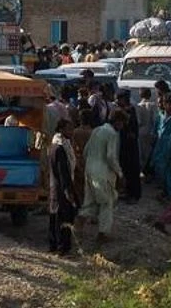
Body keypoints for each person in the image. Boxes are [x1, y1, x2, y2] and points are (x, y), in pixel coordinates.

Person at [76, 109, 126, 243]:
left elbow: (86, 151)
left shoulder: (97, 130)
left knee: (90, 201)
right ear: (118, 122)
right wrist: (120, 173)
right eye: (122, 123)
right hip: (103, 173)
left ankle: (78, 226)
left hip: (90, 170)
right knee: (107, 202)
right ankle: (103, 234)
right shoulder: (112, 134)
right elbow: (111, 156)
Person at [48, 119, 78, 256]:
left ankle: (54, 245)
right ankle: (62, 248)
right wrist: (68, 191)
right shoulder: (60, 148)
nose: (71, 132)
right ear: (61, 130)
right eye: (68, 129)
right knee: (64, 217)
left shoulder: (57, 144)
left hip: (56, 186)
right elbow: (63, 172)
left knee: (55, 215)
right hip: (61, 188)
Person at [149, 93, 171, 200]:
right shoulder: (160, 116)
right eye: (168, 104)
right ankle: (164, 191)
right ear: (164, 104)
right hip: (159, 147)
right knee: (160, 170)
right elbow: (155, 130)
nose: (170, 106)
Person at [115, 90, 141, 203]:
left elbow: (132, 130)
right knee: (126, 169)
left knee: (132, 171)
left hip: (130, 146)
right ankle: (127, 192)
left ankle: (134, 195)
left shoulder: (130, 110)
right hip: (124, 145)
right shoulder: (124, 110)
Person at [71, 110, 94, 202]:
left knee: (78, 183)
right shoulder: (93, 132)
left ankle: (79, 202)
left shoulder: (75, 132)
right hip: (90, 159)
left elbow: (72, 147)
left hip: (79, 158)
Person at [136, 88, 158, 174]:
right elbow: (154, 119)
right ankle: (148, 170)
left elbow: (139, 121)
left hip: (141, 131)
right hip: (150, 130)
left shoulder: (138, 106)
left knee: (142, 152)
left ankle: (143, 170)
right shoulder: (152, 105)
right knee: (149, 152)